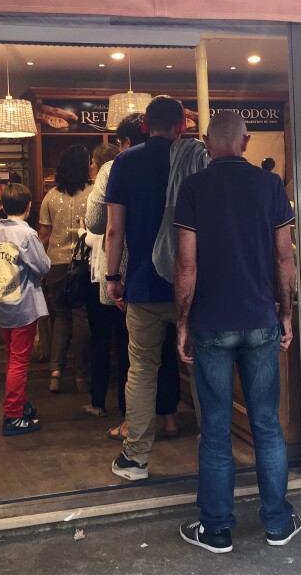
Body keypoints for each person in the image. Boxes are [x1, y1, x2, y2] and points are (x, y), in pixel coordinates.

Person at [173, 112, 299, 553]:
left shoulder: (193, 189)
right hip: (261, 320)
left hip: (210, 322)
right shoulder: (270, 187)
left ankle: (217, 528)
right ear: (245, 142)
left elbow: (187, 265)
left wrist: (183, 323)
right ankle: (278, 523)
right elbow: (285, 260)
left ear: (208, 144)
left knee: (215, 429)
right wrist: (285, 314)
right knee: (266, 424)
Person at [105, 96, 188, 481]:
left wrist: (112, 277)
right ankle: (213, 451)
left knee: (142, 369)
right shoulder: (192, 159)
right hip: (192, 284)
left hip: (143, 282)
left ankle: (136, 459)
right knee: (204, 365)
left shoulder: (125, 162)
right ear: (181, 126)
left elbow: (113, 229)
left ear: (144, 126)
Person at [85, 117, 183, 438]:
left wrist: (113, 277)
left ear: (126, 141)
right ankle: (170, 418)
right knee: (174, 349)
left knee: (136, 357)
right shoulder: (186, 158)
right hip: (182, 272)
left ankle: (134, 428)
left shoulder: (117, 166)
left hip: (133, 273)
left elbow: (101, 223)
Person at [0, 184, 51, 436]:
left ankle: (21, 404)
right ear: (29, 207)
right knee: (19, 360)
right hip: (22, 304)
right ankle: (12, 415)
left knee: (11, 356)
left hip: (1, 303)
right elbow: (43, 266)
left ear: (3, 206)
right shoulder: (26, 234)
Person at [38, 145, 93, 395]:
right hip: (83, 264)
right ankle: (81, 375)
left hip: (56, 264)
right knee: (82, 317)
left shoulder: (50, 197)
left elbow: (44, 235)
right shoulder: (92, 194)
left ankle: (56, 372)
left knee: (60, 316)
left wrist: (40, 267)